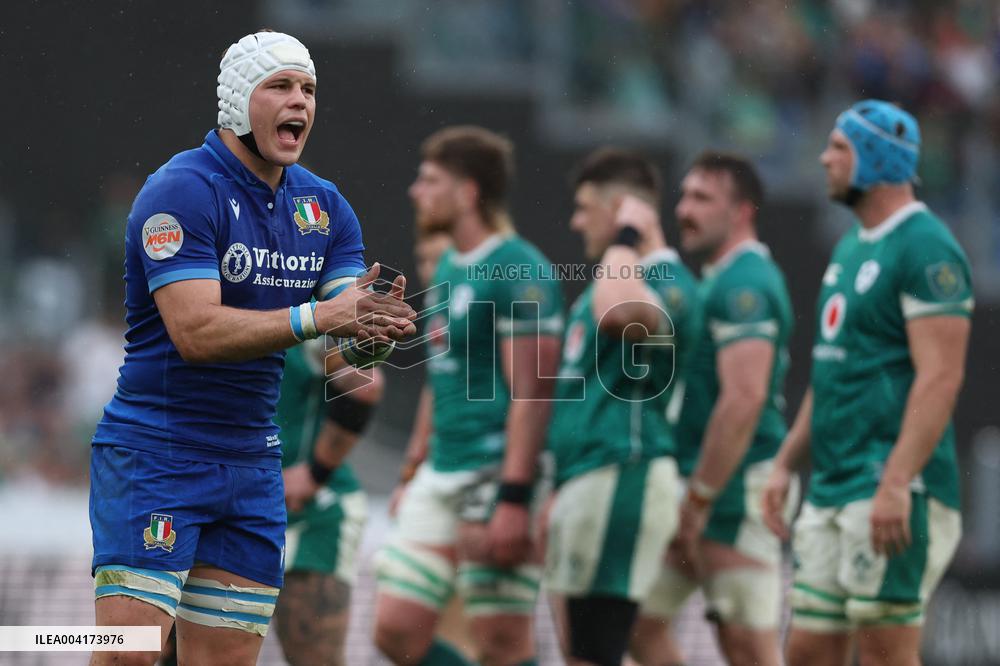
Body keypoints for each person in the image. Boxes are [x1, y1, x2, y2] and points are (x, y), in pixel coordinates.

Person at [88, 30, 415, 666]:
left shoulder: (325, 208)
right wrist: (323, 315)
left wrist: (372, 335)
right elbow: (196, 333)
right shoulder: (180, 190)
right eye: (281, 86)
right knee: (130, 653)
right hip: (158, 451)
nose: (301, 102)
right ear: (239, 99)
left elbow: (346, 332)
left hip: (251, 466)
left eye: (310, 90)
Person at [762, 100, 972, 666]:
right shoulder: (851, 246)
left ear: (876, 159)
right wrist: (785, 461)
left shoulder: (926, 247)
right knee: (807, 651)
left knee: (885, 654)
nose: (825, 159)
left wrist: (898, 481)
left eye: (839, 147)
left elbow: (942, 376)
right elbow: (834, 370)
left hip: (890, 482)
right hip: (834, 481)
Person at [373, 126, 564, 666]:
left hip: (492, 474)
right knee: (394, 628)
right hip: (442, 470)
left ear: (469, 192)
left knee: (501, 642)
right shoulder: (451, 266)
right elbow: (443, 378)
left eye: (430, 180)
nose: (416, 191)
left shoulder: (519, 268)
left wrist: (514, 495)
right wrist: (412, 467)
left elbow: (533, 394)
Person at [631, 152, 795, 666]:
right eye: (683, 196)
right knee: (636, 623)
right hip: (701, 487)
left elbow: (744, 399)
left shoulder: (745, 283)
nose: (684, 209)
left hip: (733, 492)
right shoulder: (718, 278)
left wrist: (698, 499)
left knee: (748, 648)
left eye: (702, 198)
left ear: (741, 211)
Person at [543, 148, 699, 666]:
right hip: (590, 476)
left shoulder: (664, 282)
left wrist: (628, 239)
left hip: (621, 473)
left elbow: (617, 316)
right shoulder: (618, 277)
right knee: (585, 651)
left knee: (595, 653)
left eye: (587, 207)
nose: (575, 220)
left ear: (623, 209)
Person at [274, 341, 384, 666]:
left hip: (305, 514)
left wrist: (314, 474)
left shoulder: (296, 298)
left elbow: (366, 383)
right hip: (210, 508)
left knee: (313, 657)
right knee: (155, 643)